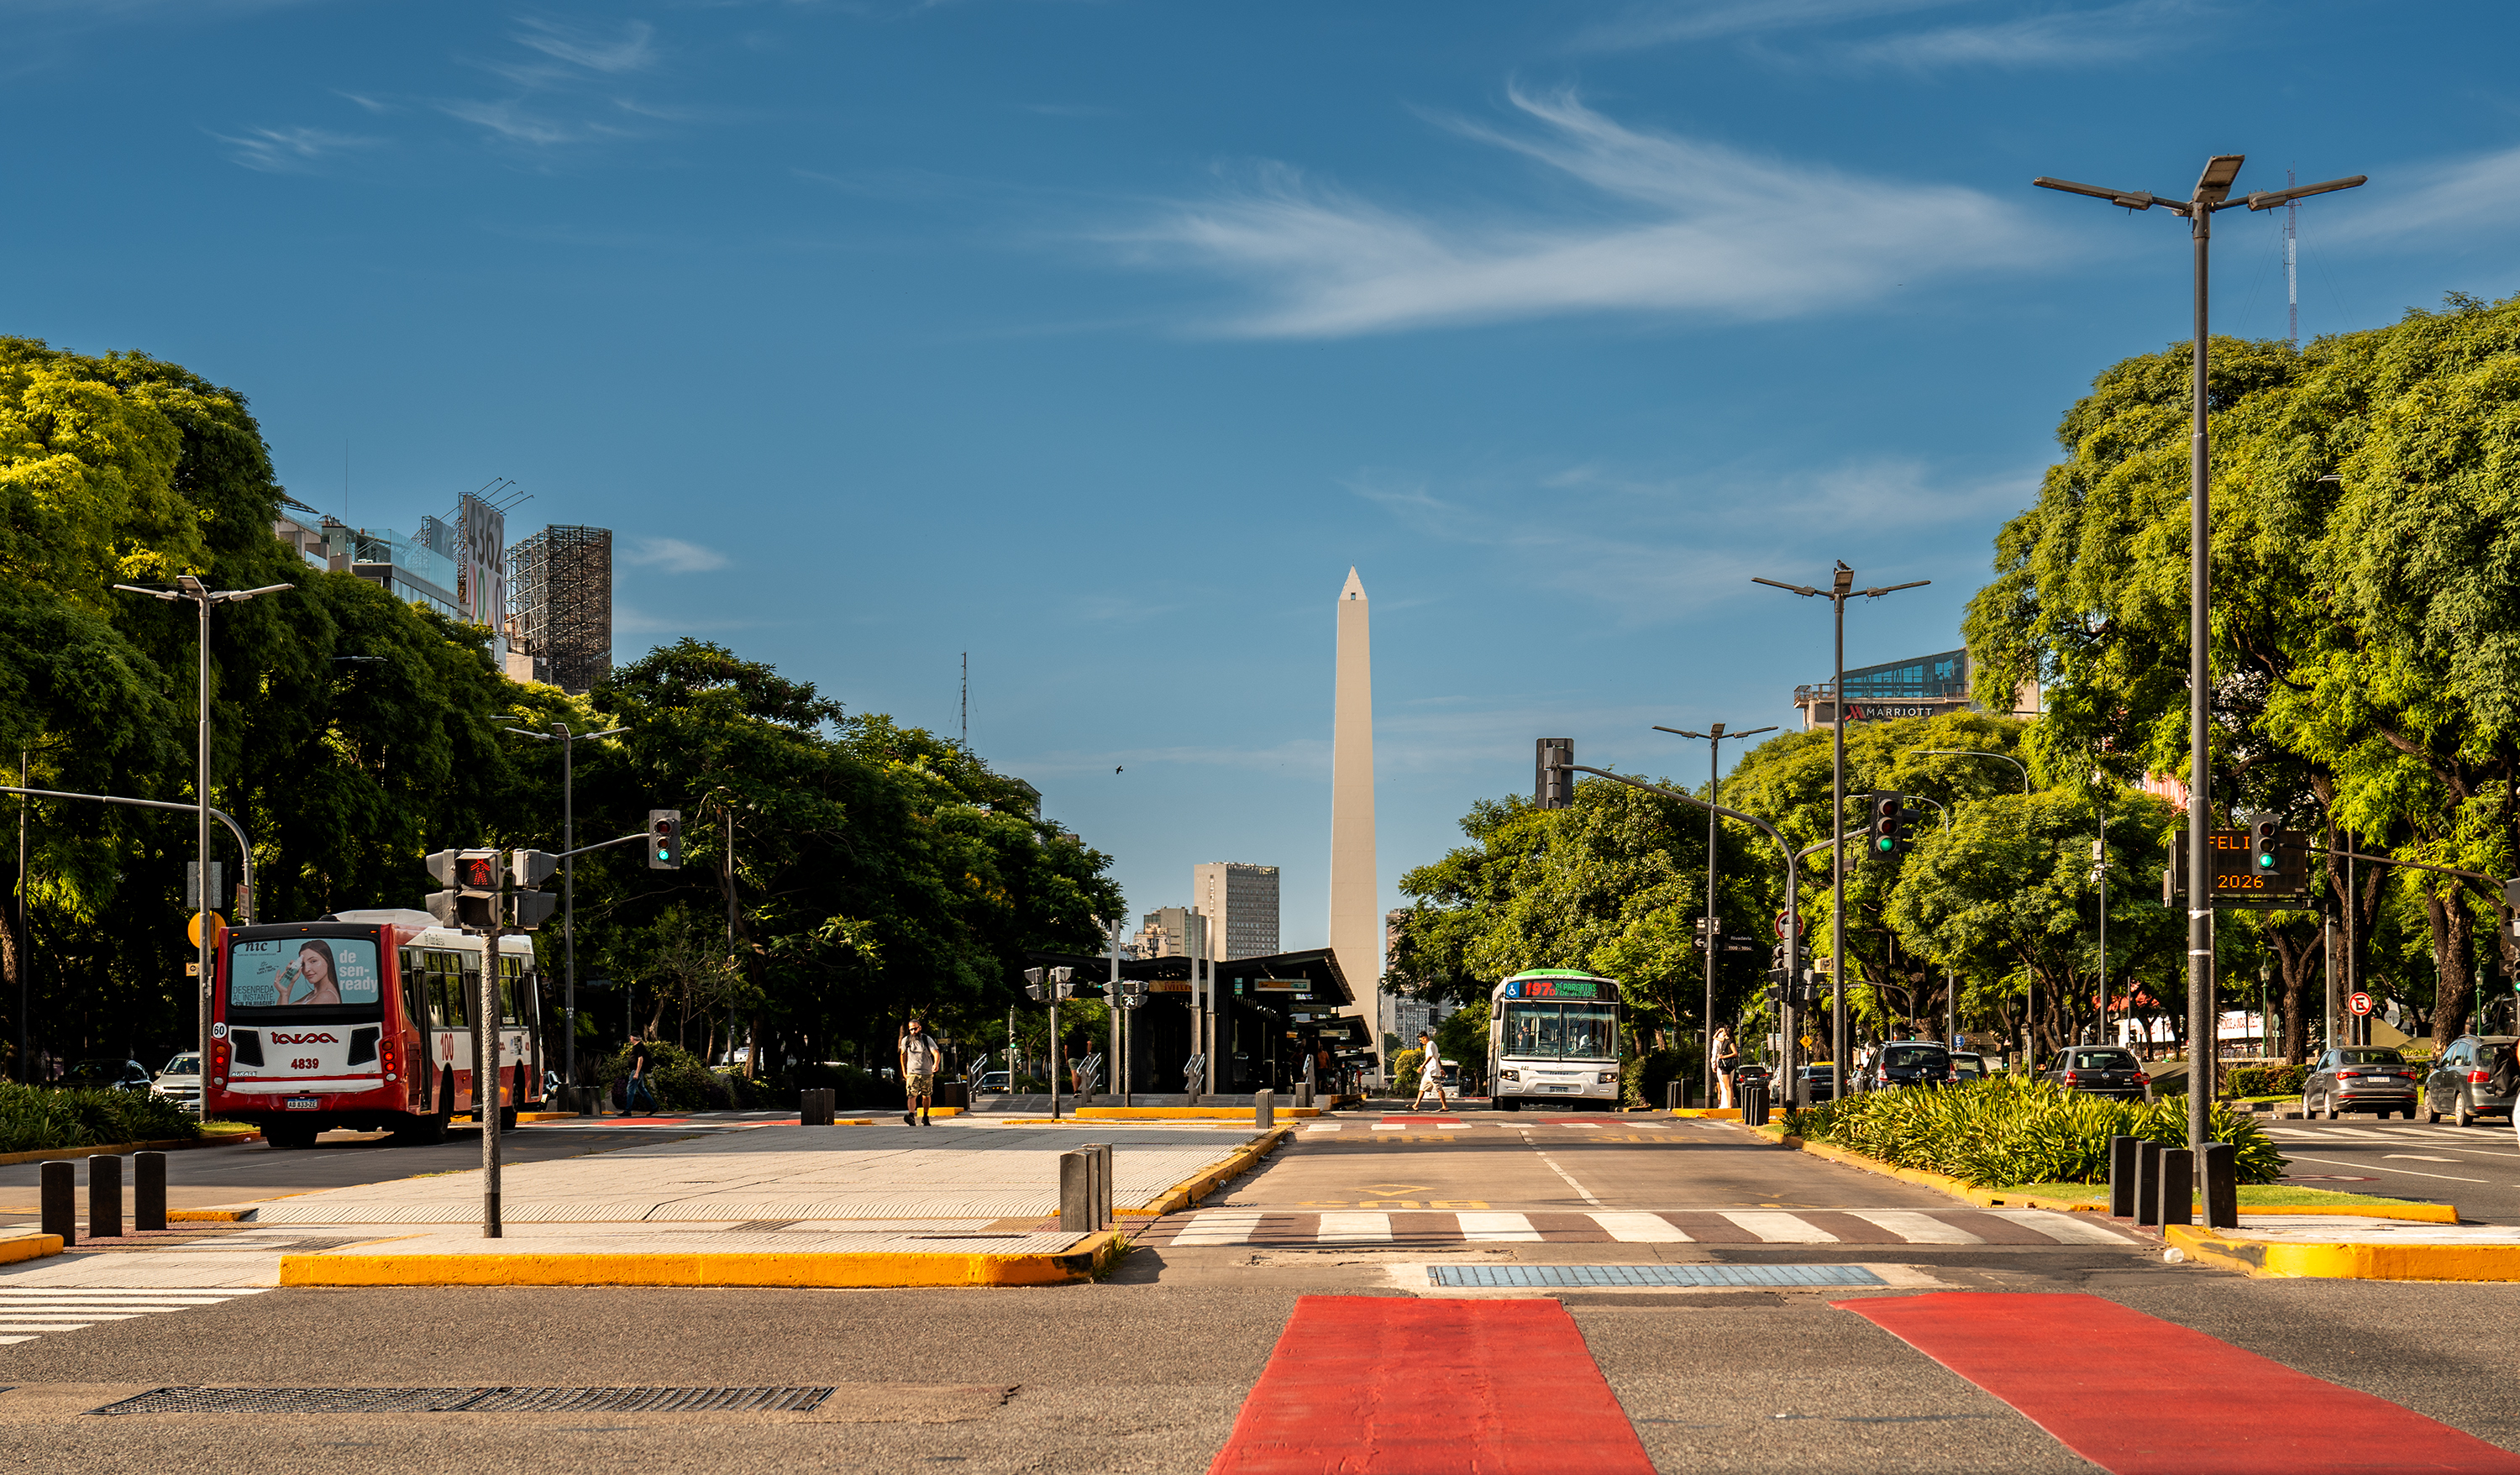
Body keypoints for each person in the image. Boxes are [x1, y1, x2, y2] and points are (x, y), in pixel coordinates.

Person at [900, 1018, 942, 1126]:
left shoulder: (927, 1039)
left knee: (926, 1095)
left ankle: (925, 1116)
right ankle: (911, 1116)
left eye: (915, 1029)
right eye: (911, 1029)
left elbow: (936, 1052)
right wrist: (904, 1071)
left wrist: (936, 1064)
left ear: (920, 1028)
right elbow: (903, 1056)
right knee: (911, 1094)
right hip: (912, 1071)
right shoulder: (906, 1040)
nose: (913, 1031)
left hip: (926, 1072)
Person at [278, 940, 343, 1006]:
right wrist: (289, 983)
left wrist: (284, 994)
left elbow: (283, 1015)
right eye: (303, 964)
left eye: (313, 961)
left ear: (328, 961)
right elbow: (278, 1012)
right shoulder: (314, 994)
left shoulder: (326, 996)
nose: (306, 969)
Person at [1410, 1031, 1448, 1111]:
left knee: (1439, 1088)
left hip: (1432, 1071)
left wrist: (1421, 1066)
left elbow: (1430, 1056)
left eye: (1421, 1040)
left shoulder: (1430, 1044)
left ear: (1424, 1038)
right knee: (1422, 1088)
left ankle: (1445, 1106)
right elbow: (1438, 1058)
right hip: (1428, 1072)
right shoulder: (1433, 1044)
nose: (1421, 1042)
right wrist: (1441, 1069)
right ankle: (1416, 1105)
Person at [624, 1037, 656, 1115]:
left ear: (634, 1038)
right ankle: (653, 1106)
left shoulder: (639, 1046)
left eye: (631, 1037)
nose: (630, 1038)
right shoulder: (638, 1046)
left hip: (636, 1070)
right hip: (637, 1070)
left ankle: (628, 1110)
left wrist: (637, 1073)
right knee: (642, 1089)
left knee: (630, 1089)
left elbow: (640, 1059)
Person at [1714, 1026, 1738, 1109]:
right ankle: (1728, 1104)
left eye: (1723, 1032)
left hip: (1727, 1066)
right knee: (1727, 1086)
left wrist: (1724, 1057)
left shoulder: (1731, 1042)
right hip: (1724, 1065)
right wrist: (1719, 1031)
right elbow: (1714, 1038)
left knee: (1728, 1086)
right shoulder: (1724, 1041)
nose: (1721, 1033)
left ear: (1726, 1033)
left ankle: (1729, 1105)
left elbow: (1735, 1053)